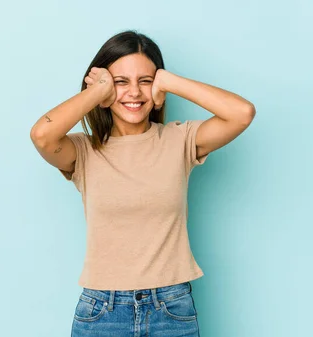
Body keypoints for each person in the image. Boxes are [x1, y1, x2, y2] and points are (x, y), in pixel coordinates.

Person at [30, 30, 255, 336]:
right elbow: (42, 135)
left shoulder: (180, 139)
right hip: (101, 310)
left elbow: (241, 114)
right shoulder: (83, 151)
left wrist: (169, 82)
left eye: (145, 81)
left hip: (171, 307)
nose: (134, 93)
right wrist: (98, 93)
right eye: (121, 82)